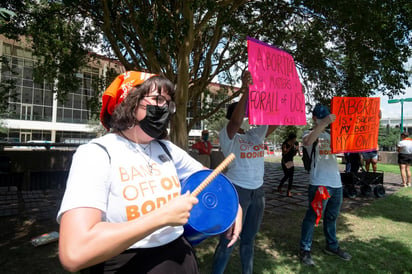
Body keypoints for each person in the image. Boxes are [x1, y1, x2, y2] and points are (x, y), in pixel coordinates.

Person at [56, 71, 242, 273]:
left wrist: (234, 205)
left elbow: (208, 177)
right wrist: (161, 217)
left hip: (181, 257)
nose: (164, 109)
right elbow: (74, 252)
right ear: (130, 101)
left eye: (168, 103)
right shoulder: (97, 153)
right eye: (157, 99)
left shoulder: (166, 149)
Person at [211, 71, 278, 274]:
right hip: (237, 191)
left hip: (258, 193)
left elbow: (275, 122)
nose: (246, 116)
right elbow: (235, 123)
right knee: (228, 239)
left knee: (249, 239)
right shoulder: (227, 136)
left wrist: (286, 98)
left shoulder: (254, 135)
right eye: (243, 112)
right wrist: (246, 90)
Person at [299, 104, 351, 266]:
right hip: (320, 184)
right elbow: (307, 142)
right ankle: (305, 249)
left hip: (336, 184)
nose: (326, 120)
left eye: (327, 117)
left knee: (331, 217)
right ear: (315, 118)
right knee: (312, 217)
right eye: (322, 117)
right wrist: (323, 124)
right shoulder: (309, 133)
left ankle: (332, 245)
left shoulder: (332, 134)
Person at [277, 133, 299, 197]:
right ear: (291, 138)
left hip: (290, 161)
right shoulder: (285, 143)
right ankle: (280, 187)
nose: (295, 140)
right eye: (294, 138)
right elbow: (285, 152)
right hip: (285, 161)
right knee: (287, 175)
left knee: (290, 176)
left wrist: (296, 150)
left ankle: (288, 190)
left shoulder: (294, 144)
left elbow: (293, 154)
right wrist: (291, 147)